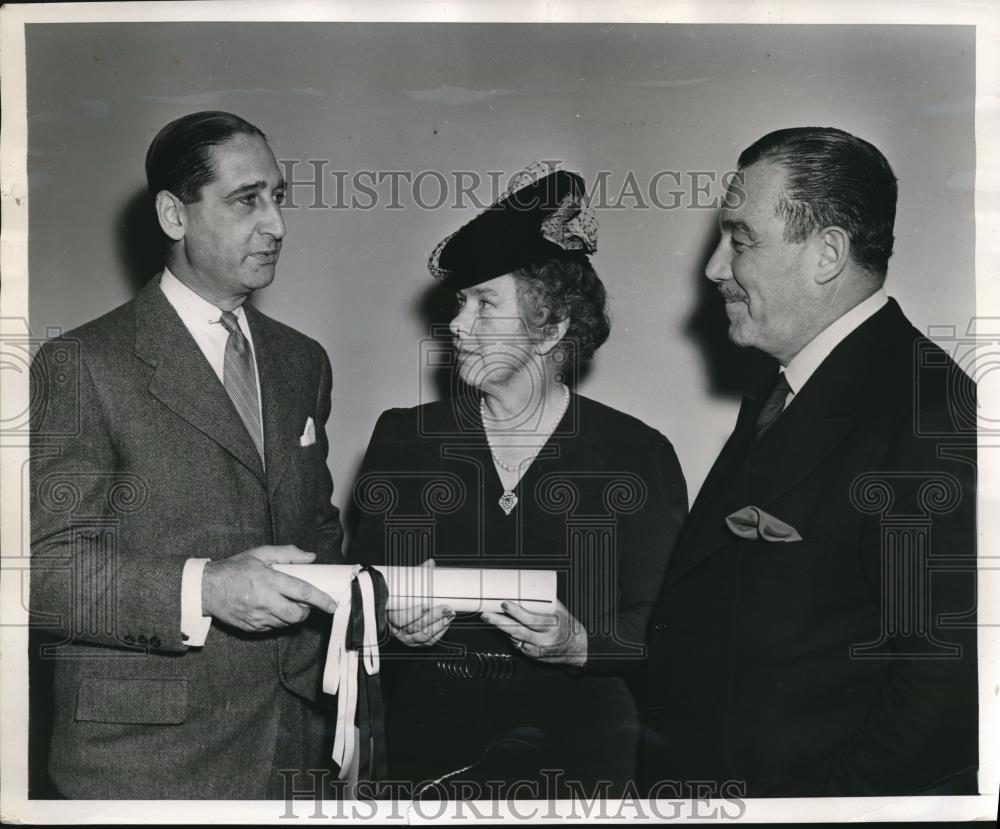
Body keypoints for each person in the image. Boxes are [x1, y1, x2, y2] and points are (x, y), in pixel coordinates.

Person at [642, 127, 978, 797]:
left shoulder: (929, 413)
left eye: (739, 240)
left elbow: (938, 694)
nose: (712, 267)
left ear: (826, 254)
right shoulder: (783, 386)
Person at [29, 111, 344, 799]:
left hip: (293, 754)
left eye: (278, 197)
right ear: (174, 214)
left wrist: (384, 599)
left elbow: (317, 535)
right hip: (144, 765)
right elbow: (44, 572)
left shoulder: (302, 361)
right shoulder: (81, 362)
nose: (277, 225)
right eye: (246, 199)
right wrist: (205, 587)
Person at [350, 163, 687, 797]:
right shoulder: (403, 439)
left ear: (553, 327)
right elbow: (362, 591)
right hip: (431, 760)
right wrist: (394, 624)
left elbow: (668, 625)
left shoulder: (635, 454)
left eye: (484, 304)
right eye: (460, 303)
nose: (457, 325)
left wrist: (580, 645)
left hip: (583, 764)